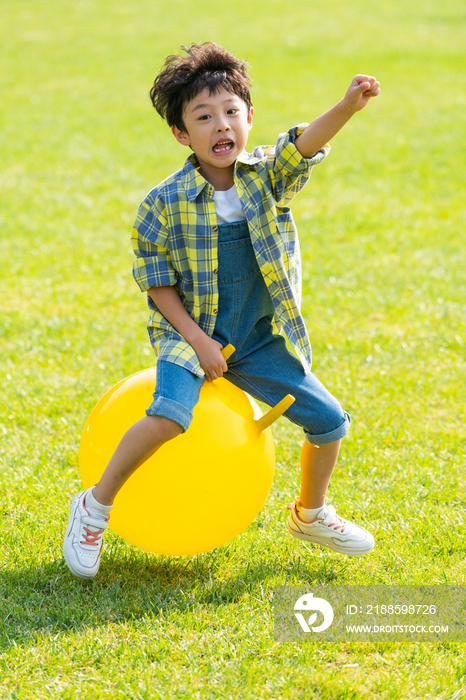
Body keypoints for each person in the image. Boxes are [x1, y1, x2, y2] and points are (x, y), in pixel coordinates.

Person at [63, 42, 380, 578]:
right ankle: (94, 507)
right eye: (203, 117)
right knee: (169, 417)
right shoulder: (164, 203)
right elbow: (156, 283)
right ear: (182, 134)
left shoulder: (266, 179)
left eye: (231, 112)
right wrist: (198, 341)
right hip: (187, 337)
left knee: (330, 423)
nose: (221, 126)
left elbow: (301, 146)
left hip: (254, 338)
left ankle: (311, 513)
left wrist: (346, 107)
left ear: (249, 118)